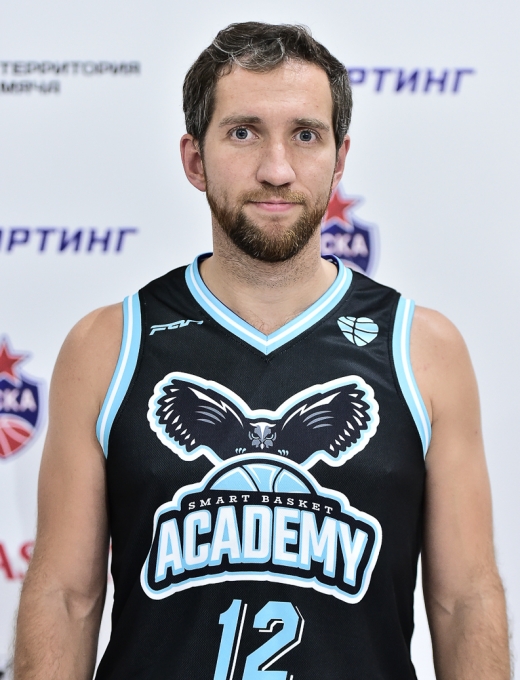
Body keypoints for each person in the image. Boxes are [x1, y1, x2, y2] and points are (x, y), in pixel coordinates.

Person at [13, 22, 510, 680]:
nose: (277, 169)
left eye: (305, 135)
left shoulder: (422, 348)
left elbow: (464, 600)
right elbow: (66, 599)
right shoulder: (109, 344)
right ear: (195, 159)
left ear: (339, 157)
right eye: (244, 132)